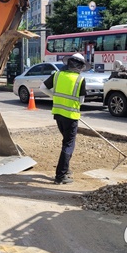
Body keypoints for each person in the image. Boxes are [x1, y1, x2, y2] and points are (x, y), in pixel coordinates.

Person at [40, 53, 89, 185]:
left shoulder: (57, 75)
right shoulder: (79, 79)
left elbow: (42, 87)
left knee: (66, 142)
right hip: (71, 116)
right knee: (68, 144)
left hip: (58, 114)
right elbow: (81, 100)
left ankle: (65, 170)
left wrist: (55, 96)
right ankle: (60, 176)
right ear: (80, 66)